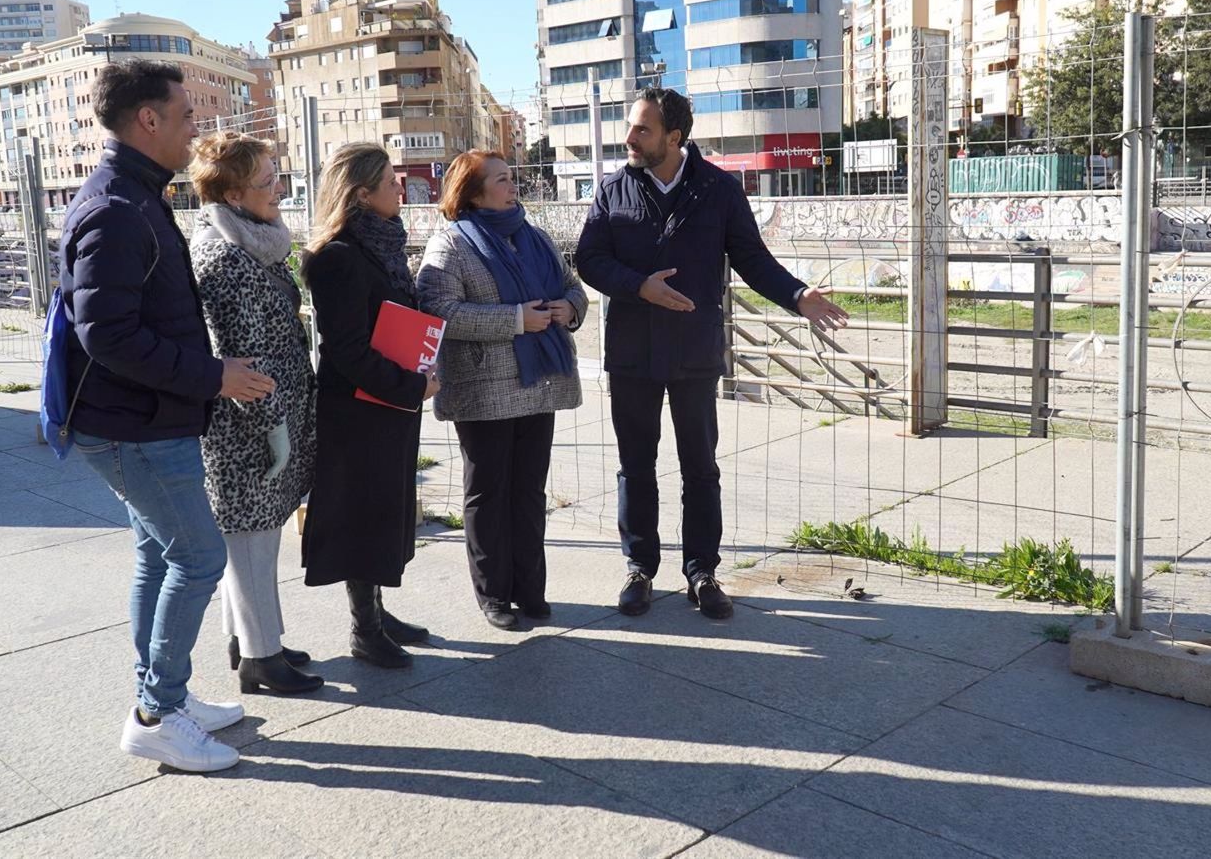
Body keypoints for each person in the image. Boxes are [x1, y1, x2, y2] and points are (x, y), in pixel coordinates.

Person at [62, 59, 275, 773]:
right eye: (185, 114)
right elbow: (108, 334)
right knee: (198, 554)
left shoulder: (135, 195)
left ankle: (167, 699)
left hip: (143, 416)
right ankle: (156, 712)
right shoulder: (117, 209)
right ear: (147, 120)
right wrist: (215, 376)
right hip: (132, 424)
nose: (195, 127)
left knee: (160, 552)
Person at [575, 87, 848, 620]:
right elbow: (589, 259)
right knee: (636, 465)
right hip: (631, 353)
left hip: (694, 352)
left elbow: (751, 258)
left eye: (642, 129)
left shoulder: (718, 189)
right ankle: (639, 568)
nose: (628, 137)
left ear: (675, 137)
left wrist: (797, 294)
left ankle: (703, 571)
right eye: (630, 126)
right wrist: (638, 287)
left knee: (700, 466)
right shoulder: (611, 190)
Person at [417, 151, 586, 630]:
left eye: (513, 178)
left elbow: (574, 290)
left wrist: (564, 310)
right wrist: (515, 320)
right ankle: (494, 596)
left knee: (529, 491)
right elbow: (438, 311)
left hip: (541, 385)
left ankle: (531, 591)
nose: (513, 186)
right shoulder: (450, 244)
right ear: (472, 192)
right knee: (488, 493)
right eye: (502, 180)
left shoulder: (535, 237)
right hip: (483, 390)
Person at [186, 131, 321, 696]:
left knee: (253, 542)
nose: (280, 190)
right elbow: (243, 356)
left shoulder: (248, 241)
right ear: (236, 193)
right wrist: (272, 427)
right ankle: (262, 660)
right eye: (268, 182)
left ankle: (248, 638)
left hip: (272, 417)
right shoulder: (226, 257)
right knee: (252, 544)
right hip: (249, 428)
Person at [300, 142, 437, 668]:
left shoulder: (380, 244)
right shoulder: (338, 257)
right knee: (363, 515)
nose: (398, 190)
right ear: (361, 194)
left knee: (388, 509)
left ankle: (379, 610)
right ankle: (364, 628)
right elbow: (350, 351)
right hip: (360, 409)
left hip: (391, 402)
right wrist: (410, 385)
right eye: (388, 182)